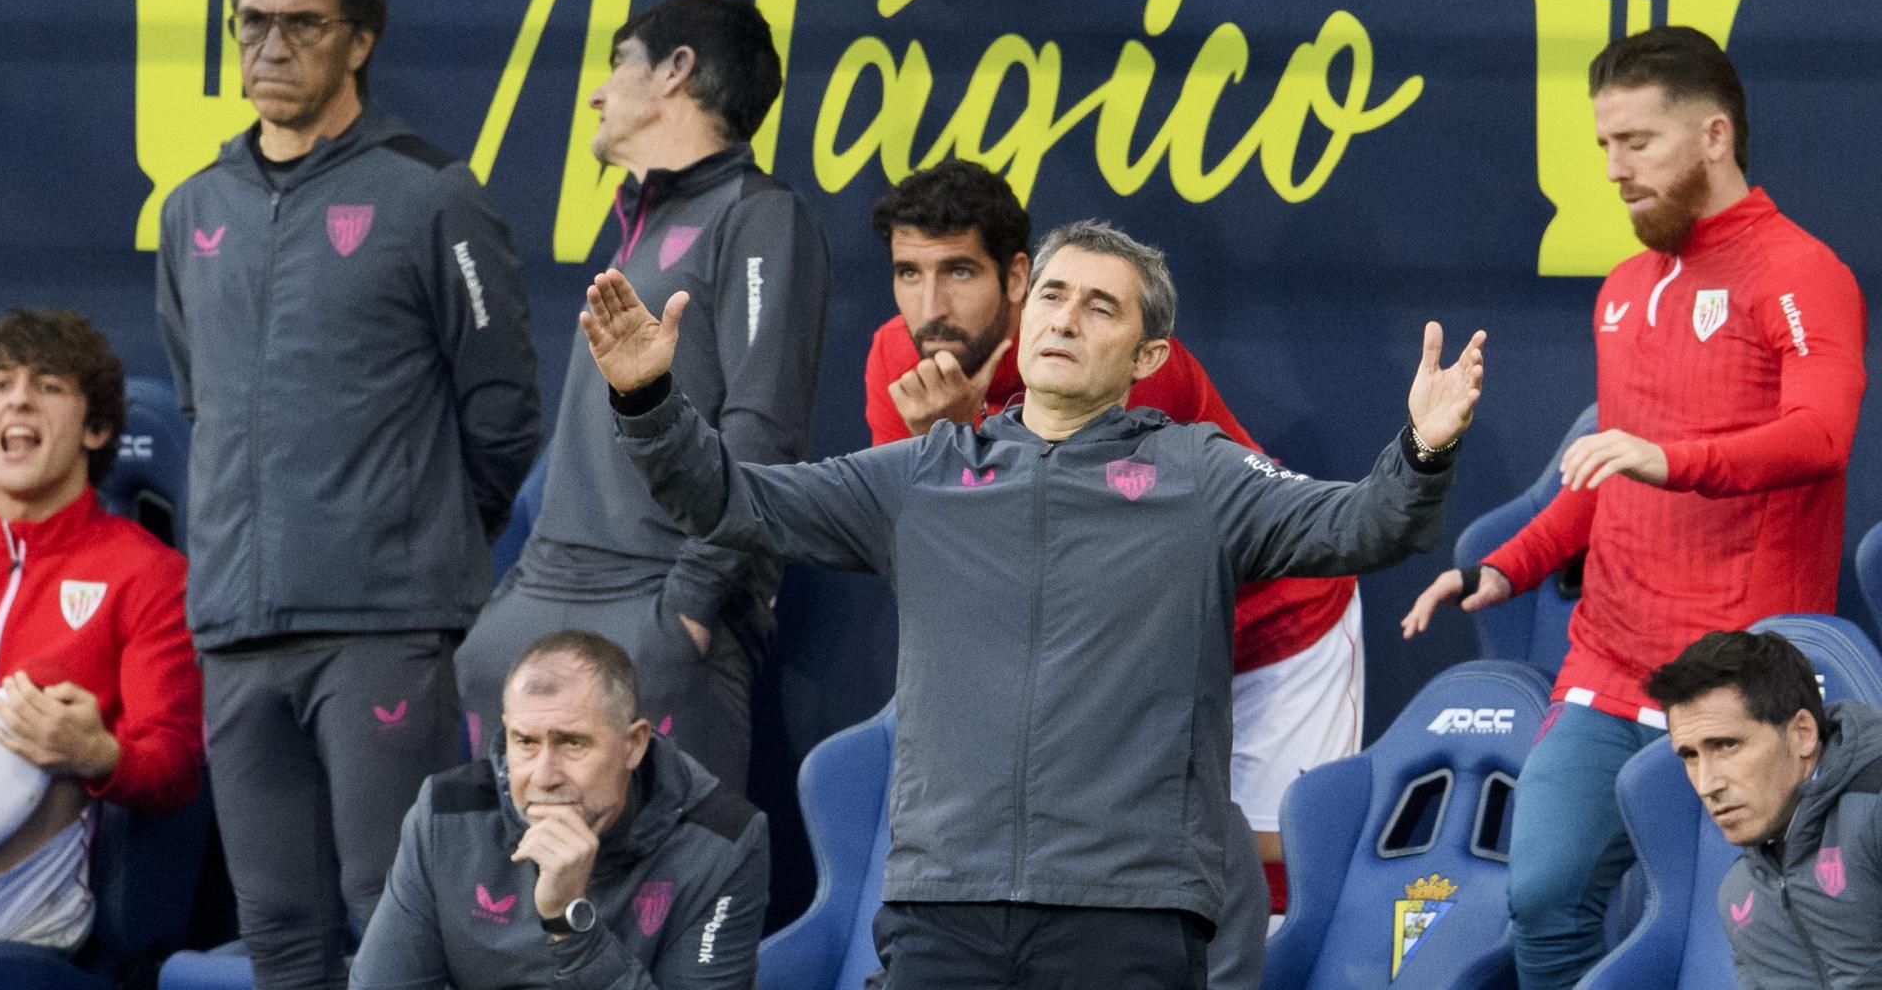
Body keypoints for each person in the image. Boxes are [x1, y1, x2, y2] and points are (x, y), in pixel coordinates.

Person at [586, 218, 1484, 987]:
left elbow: (1365, 527)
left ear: (1148, 356)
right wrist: (648, 397)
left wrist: (1422, 448)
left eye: (1102, 307)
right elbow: (727, 499)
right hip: (945, 905)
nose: (1066, 317)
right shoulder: (927, 474)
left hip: (1129, 908)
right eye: (1052, 295)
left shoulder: (1201, 473)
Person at [1401, 25, 1867, 989]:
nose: (1614, 168)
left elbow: (1822, 437)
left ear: (1713, 136)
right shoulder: (1623, 289)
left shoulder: (1799, 272)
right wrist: (1509, 564)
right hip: (1607, 667)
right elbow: (1605, 474)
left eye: (1637, 142)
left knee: (1740, 943)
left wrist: (1671, 456)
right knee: (1543, 897)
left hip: (1742, 676)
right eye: (1604, 144)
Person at [154, 0, 541, 986]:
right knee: (276, 929)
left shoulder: (433, 194)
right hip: (235, 627)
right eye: (251, 25)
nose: (270, 49)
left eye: (301, 25)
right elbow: (206, 404)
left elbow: (502, 411)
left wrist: (414, 540)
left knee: (396, 915)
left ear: (360, 38)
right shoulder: (193, 212)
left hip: (388, 624)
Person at [863, 160, 1362, 917]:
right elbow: (927, 568)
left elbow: (1108, 575)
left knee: (1270, 885)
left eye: (959, 272)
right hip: (1119, 644)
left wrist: (975, 447)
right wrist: (953, 457)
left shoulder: (1119, 366)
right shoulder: (898, 362)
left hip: (1275, 623)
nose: (930, 306)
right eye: (908, 274)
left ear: (1017, 277)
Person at [455, 0, 830, 790]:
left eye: (617, 64)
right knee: (520, 900)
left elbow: (763, 433)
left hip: (656, 603)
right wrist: (515, 597)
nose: (597, 91)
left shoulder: (760, 215)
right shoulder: (642, 221)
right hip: (546, 592)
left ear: (675, 73)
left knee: (665, 903)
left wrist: (688, 609)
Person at [0, 309, 203, 950]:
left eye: (46, 385)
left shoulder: (148, 574)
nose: (18, 398)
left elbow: (175, 767)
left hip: (25, 902)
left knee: (26, 718)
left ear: (96, 428)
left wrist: (97, 754)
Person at [351, 630, 768, 990]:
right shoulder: (447, 814)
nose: (544, 776)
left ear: (634, 744)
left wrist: (570, 923)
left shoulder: (721, 841)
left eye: (572, 743)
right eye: (525, 742)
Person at [1648, 630, 1882, 989]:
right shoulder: (1741, 892)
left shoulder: (1874, 811)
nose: (1708, 784)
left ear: (1802, 733)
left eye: (1727, 745)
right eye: (1691, 756)